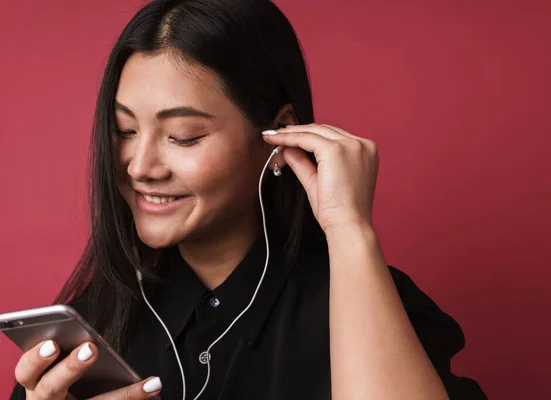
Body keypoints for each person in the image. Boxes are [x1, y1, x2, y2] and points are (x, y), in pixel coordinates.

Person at [10, 0, 487, 399]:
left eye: (184, 136)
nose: (139, 167)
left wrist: (348, 228)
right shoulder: (84, 342)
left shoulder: (373, 304)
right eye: (124, 131)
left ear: (277, 134)